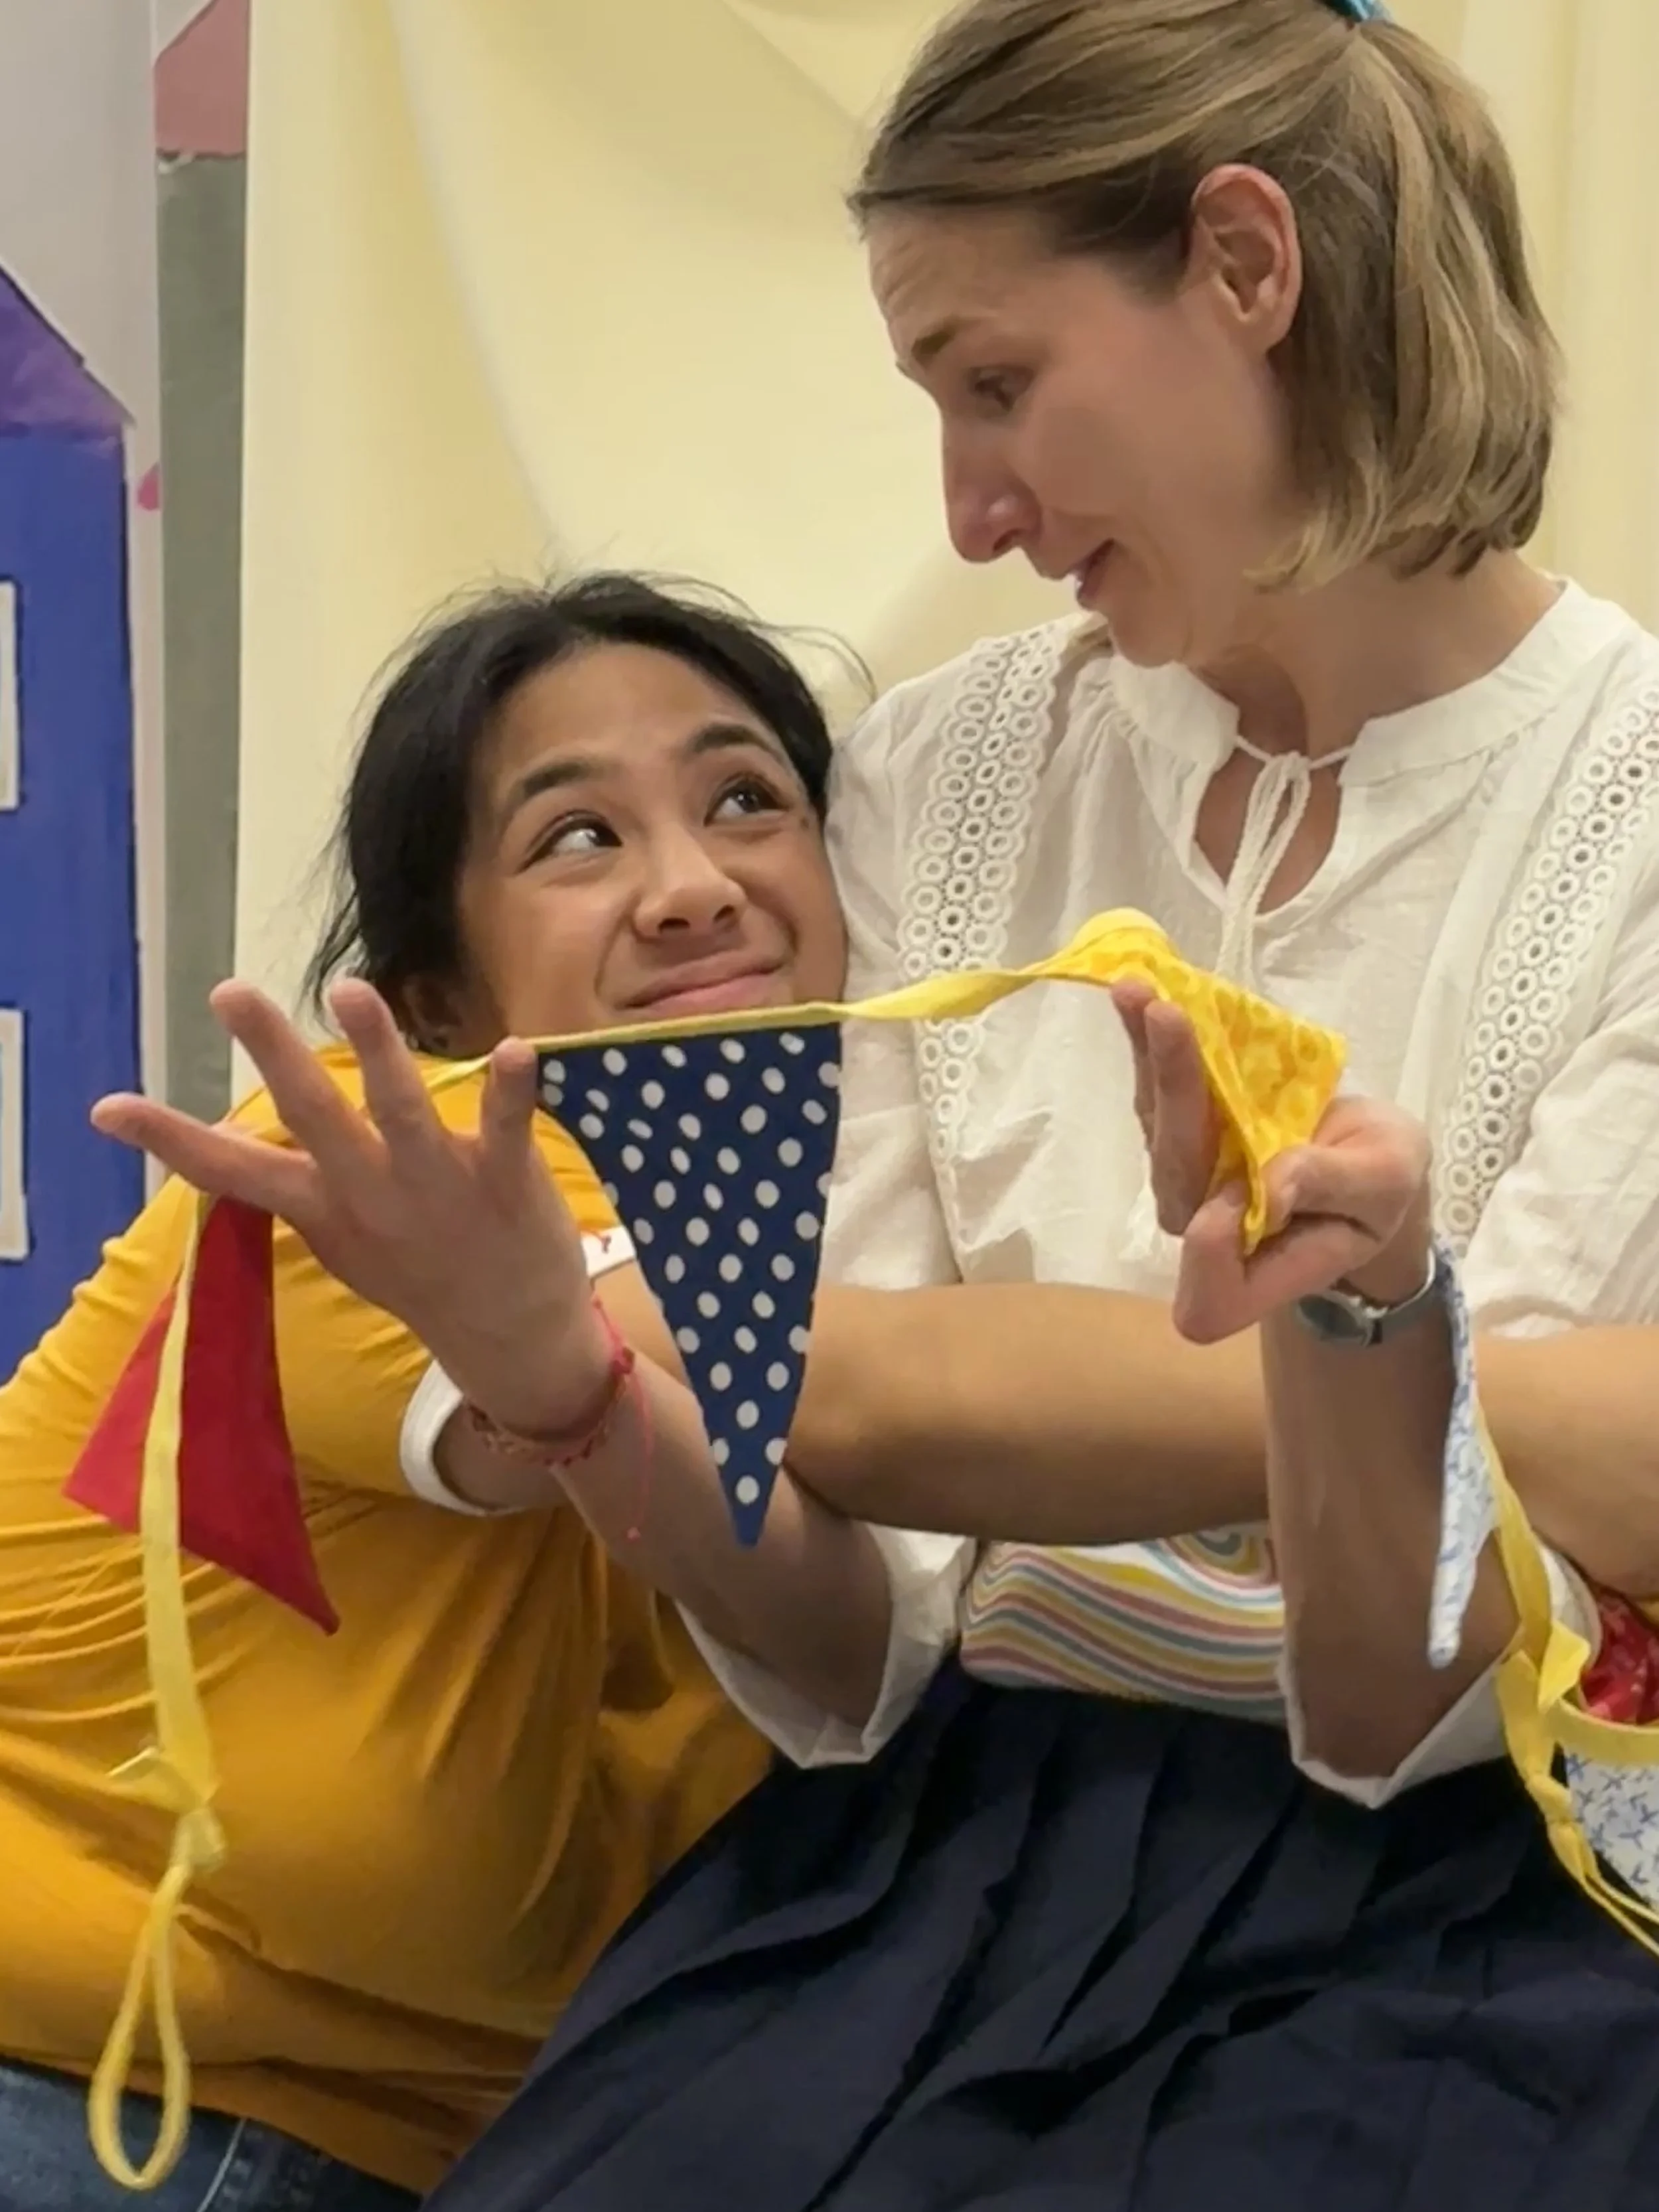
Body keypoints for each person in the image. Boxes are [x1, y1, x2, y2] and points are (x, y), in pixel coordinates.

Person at [388, 1, 1659, 2204]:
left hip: (1488, 1889)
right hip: (949, 1849)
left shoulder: (1629, 808)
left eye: (996, 386)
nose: (971, 509)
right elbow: (856, 1595)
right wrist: (591, 1401)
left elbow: (1410, 1672)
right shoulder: (938, 776)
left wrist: (968, 1385)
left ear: (1248, 266)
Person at [0, 573, 929, 2209]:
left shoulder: (839, 1225)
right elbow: (778, 1408)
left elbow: (844, 1624)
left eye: (745, 801)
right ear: (437, 999)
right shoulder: (370, 1174)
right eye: (579, 838)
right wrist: (1397, 1376)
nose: (693, 886)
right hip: (81, 2095)